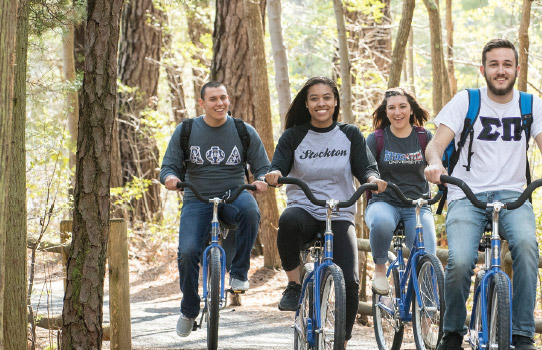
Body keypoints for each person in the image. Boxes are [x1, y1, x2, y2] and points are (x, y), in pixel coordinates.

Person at [423, 39, 542, 350]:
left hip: (514, 195)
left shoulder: (530, 105)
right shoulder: (466, 101)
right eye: (494, 64)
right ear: (484, 69)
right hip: (467, 194)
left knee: (527, 249)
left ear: (516, 68)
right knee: (460, 262)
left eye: (507, 64)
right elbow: (436, 145)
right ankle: (453, 333)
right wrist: (434, 164)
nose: (501, 71)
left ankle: (523, 334)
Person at [265, 76, 386, 345]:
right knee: (288, 220)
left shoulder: (349, 133)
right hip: (305, 209)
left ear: (335, 101)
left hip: (339, 212)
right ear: (306, 105)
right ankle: (295, 284)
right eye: (314, 99)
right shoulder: (294, 136)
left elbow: (365, 166)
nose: (321, 103)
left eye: (327, 97)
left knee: (350, 282)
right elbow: (279, 165)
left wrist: (372, 177)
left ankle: (341, 340)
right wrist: (274, 173)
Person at [159, 81, 271, 337]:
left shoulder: (243, 130)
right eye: (213, 99)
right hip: (197, 199)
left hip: (234, 195)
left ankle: (239, 273)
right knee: (187, 252)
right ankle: (189, 309)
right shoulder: (186, 130)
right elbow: (168, 166)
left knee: (251, 212)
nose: (220, 103)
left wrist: (261, 180)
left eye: (223, 98)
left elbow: (262, 166)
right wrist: (169, 178)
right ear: (202, 103)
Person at [364, 87, 437, 294]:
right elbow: (365, 168)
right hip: (384, 202)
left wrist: (438, 173)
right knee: (381, 222)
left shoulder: (424, 137)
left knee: (426, 255)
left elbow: (435, 161)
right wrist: (372, 178)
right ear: (385, 112)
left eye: (403, 106)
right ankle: (380, 269)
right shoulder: (376, 138)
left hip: (418, 206)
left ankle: (425, 309)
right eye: (392, 108)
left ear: (412, 110)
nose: (398, 112)